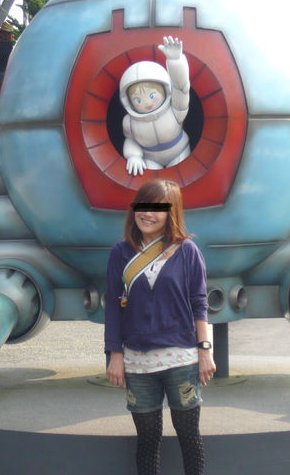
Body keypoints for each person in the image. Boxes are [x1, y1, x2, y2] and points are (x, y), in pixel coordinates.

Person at [105, 178, 216, 475]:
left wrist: (205, 350)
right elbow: (113, 308)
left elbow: (199, 303)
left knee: (189, 437)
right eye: (143, 206)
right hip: (137, 362)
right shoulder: (120, 253)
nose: (147, 214)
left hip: (181, 359)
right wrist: (115, 354)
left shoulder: (187, 251)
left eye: (157, 208)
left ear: (171, 213)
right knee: (147, 439)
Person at [119, 36, 191, 176]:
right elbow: (130, 140)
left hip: (179, 152)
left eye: (152, 96)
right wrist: (133, 155)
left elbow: (182, 88)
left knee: (182, 178)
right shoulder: (129, 122)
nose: (146, 103)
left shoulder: (175, 109)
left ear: (165, 89)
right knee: (152, 184)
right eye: (138, 100)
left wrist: (175, 61)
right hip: (150, 158)